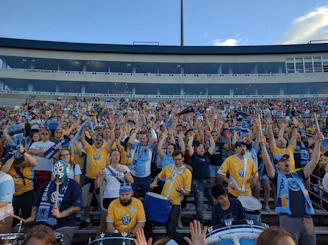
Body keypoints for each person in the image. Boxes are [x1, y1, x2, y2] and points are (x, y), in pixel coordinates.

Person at [260, 131, 324, 245]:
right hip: (289, 219)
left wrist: (318, 143)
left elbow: (313, 161)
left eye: (287, 160)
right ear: (277, 166)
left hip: (306, 218)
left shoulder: (299, 175)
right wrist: (262, 146)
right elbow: (267, 163)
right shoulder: (276, 177)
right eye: (283, 160)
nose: (286, 162)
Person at [26, 160, 82, 245]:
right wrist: (33, 216)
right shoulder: (46, 184)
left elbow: (77, 206)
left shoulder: (73, 185)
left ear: (66, 169)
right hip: (43, 225)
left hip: (64, 224)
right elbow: (36, 204)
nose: (58, 172)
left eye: (60, 169)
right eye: (56, 169)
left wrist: (61, 214)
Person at [150, 150, 192, 244]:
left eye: (180, 160)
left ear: (183, 159)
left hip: (175, 204)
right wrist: (154, 181)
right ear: (173, 159)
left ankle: (186, 243)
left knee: (171, 231)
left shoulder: (187, 172)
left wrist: (182, 191)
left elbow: (188, 192)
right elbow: (158, 176)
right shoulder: (168, 168)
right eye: (176, 160)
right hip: (163, 202)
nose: (178, 162)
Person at [94, 149, 134, 236]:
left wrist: (124, 171)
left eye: (118, 155)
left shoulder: (125, 168)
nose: (116, 156)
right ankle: (98, 240)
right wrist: (98, 175)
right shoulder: (106, 169)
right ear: (110, 157)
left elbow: (131, 181)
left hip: (121, 197)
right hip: (108, 197)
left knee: (121, 221)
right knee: (103, 222)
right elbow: (97, 185)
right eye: (114, 155)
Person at [79, 124, 111, 229]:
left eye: (100, 140)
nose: (98, 142)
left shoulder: (105, 149)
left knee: (102, 202)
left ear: (102, 142)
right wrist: (83, 129)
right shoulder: (89, 148)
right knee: (85, 201)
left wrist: (113, 128)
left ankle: (103, 221)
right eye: (96, 140)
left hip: (101, 179)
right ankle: (88, 220)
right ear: (94, 141)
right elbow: (82, 139)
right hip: (89, 178)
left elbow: (113, 139)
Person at [1, 146, 38, 225]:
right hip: (14, 194)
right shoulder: (10, 164)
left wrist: (24, 152)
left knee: (27, 215)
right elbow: (4, 170)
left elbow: (35, 163)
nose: (21, 166)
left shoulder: (27, 161)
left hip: (27, 192)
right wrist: (13, 157)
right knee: (15, 218)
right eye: (18, 165)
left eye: (22, 164)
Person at [187, 131, 215, 224]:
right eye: (199, 148)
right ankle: (200, 223)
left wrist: (210, 136)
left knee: (214, 202)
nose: (201, 149)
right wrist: (192, 137)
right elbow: (189, 146)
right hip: (198, 183)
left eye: (202, 148)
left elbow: (212, 146)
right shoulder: (194, 156)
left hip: (208, 182)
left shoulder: (207, 156)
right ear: (196, 150)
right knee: (199, 204)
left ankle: (218, 219)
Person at [128, 130, 157, 197]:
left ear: (147, 138)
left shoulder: (150, 146)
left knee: (147, 196)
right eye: (140, 138)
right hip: (134, 176)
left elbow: (155, 140)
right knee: (132, 195)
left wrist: (152, 129)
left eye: (144, 138)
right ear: (138, 138)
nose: (142, 140)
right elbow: (130, 141)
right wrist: (136, 130)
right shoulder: (135, 145)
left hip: (146, 177)